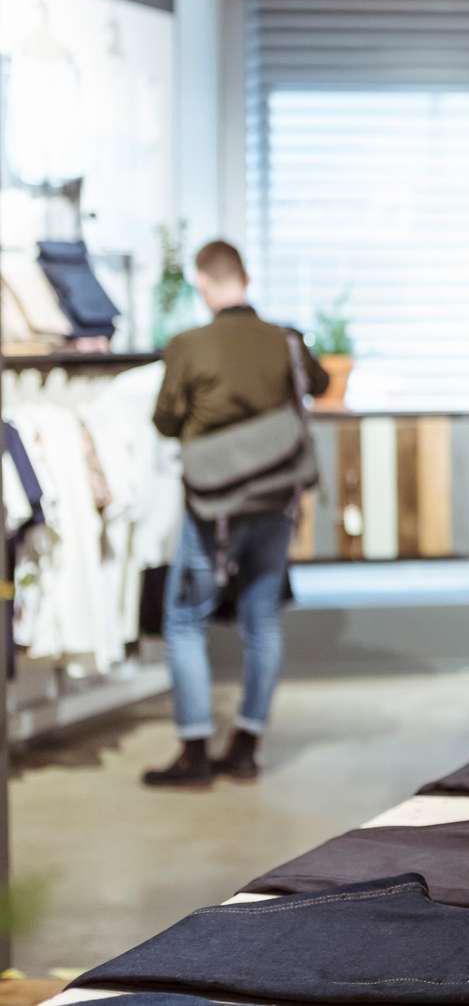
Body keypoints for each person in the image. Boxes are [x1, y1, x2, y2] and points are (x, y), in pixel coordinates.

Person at [146, 240, 329, 789]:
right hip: (276, 500)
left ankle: (195, 752)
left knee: (183, 621)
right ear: (245, 278)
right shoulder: (286, 340)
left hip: (214, 507)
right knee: (262, 619)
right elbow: (317, 386)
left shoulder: (187, 345)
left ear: (204, 282)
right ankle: (246, 747)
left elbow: (164, 420)